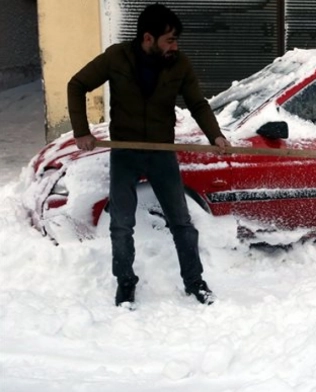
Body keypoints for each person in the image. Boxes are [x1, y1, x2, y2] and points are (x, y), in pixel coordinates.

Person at [67, 4, 230, 307]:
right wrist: (81, 130)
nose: (175, 46)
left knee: (181, 222)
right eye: (169, 40)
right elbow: (76, 85)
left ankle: (195, 282)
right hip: (125, 153)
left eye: (176, 40)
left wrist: (215, 135)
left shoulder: (179, 64)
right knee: (121, 224)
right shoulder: (117, 58)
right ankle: (125, 283)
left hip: (161, 153)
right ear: (147, 38)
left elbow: (198, 103)